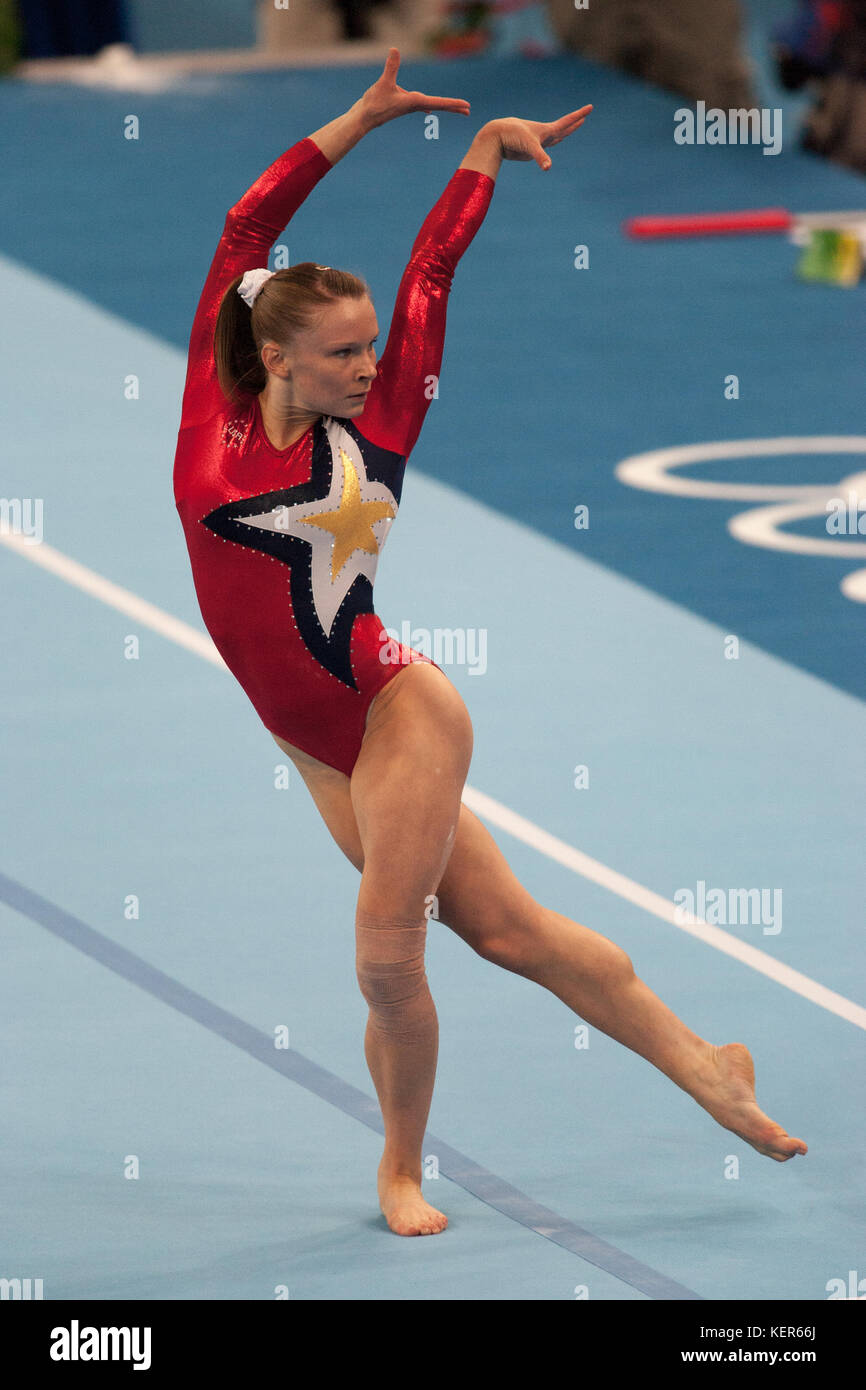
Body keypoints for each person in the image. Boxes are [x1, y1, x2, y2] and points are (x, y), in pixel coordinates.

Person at [173, 48, 807, 1238]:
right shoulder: (210, 400)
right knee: (509, 931)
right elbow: (244, 222)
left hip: (392, 714)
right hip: (314, 745)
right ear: (275, 354)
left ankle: (400, 1175)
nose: (370, 365)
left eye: (372, 345)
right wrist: (355, 121)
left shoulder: (386, 413)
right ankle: (709, 1065)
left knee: (383, 960)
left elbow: (430, 273)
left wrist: (478, 159)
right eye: (343, 351)